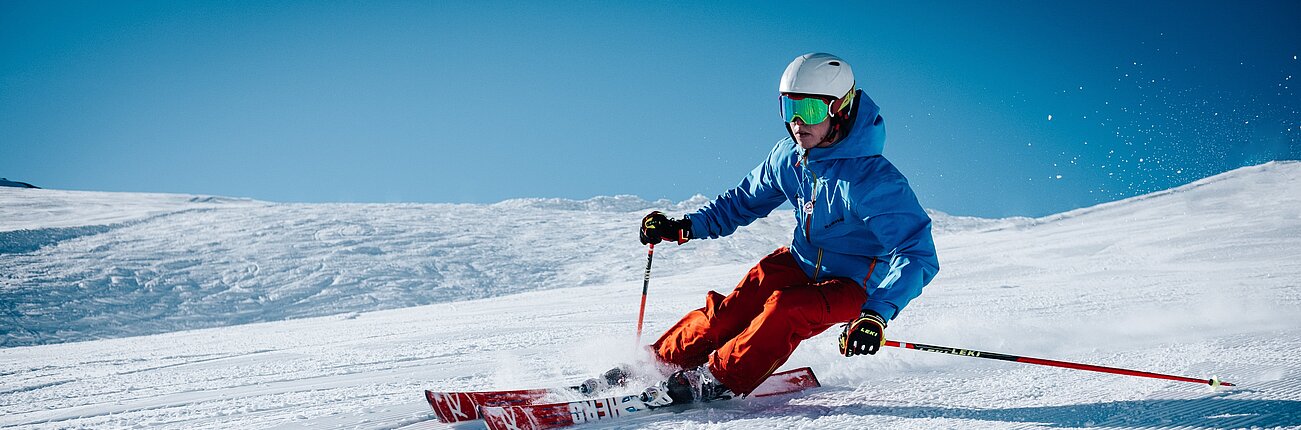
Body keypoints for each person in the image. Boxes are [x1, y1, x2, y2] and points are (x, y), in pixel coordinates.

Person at [636, 52, 940, 405]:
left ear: (839, 109)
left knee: (787, 308)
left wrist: (876, 314)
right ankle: (655, 364)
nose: (797, 122)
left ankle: (717, 379)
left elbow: (916, 254)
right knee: (731, 311)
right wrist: (684, 226)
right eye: (789, 108)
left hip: (854, 284)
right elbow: (741, 202)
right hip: (799, 261)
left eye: (809, 110)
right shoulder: (789, 157)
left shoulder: (873, 181)